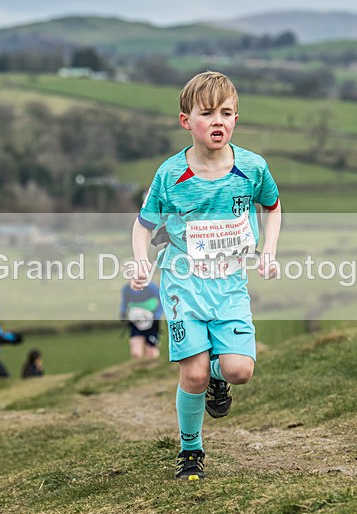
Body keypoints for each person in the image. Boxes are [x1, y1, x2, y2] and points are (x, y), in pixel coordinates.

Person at [131, 71, 281, 480]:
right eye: (207, 112)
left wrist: (267, 251)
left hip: (230, 285)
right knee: (191, 373)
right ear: (186, 120)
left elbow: (272, 206)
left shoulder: (253, 167)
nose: (218, 120)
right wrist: (142, 261)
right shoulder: (169, 175)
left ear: (236, 119)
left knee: (239, 370)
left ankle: (219, 378)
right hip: (182, 286)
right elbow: (143, 225)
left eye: (227, 113)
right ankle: (190, 451)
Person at [120, 281, 163, 360]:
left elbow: (161, 301)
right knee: (136, 353)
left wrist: (157, 315)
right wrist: (123, 313)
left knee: (151, 353)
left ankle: (152, 370)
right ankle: (139, 370)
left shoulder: (151, 287)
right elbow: (124, 303)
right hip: (135, 322)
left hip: (151, 322)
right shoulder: (126, 289)